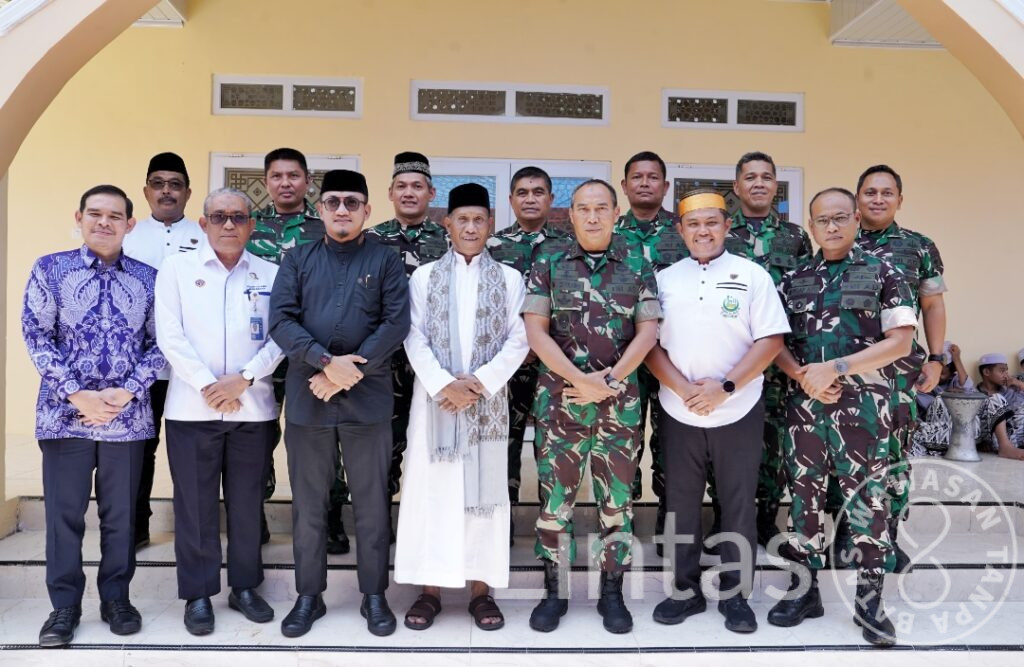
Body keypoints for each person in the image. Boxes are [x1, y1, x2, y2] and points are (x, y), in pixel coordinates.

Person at [767, 187, 916, 647]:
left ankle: (870, 602)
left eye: (839, 218)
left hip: (864, 411)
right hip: (806, 410)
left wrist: (836, 368)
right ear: (811, 226)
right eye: (822, 220)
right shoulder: (794, 279)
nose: (831, 227)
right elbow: (775, 343)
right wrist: (804, 376)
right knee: (804, 500)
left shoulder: (884, 272)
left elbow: (901, 342)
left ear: (854, 219)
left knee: (868, 502)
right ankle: (804, 591)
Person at [269, 169, 409, 637]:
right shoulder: (298, 259)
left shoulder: (386, 260)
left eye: (352, 202)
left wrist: (350, 371)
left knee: (371, 502)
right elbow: (281, 321)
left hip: (368, 400)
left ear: (367, 210)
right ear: (320, 209)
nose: (343, 209)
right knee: (309, 504)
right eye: (333, 202)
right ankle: (309, 595)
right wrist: (325, 363)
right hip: (309, 396)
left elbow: (396, 323)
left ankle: (374, 595)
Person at [23, 185, 166, 646]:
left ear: (130, 224)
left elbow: (161, 342)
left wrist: (128, 391)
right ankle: (64, 607)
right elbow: (36, 334)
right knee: (64, 516)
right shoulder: (50, 269)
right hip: (65, 417)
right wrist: (76, 394)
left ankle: (116, 598)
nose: (104, 222)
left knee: (121, 517)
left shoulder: (149, 279)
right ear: (79, 217)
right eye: (95, 214)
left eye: (115, 216)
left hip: (128, 418)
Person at [644, 189, 789, 634]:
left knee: (738, 504)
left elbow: (771, 340)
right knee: (680, 505)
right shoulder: (663, 279)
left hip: (738, 409)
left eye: (712, 222)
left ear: (727, 226)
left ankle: (735, 596)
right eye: (693, 223)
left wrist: (725, 388)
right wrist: (685, 389)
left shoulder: (752, 275)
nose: (703, 231)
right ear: (680, 230)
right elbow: (648, 344)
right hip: (679, 409)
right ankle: (684, 591)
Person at [523, 179, 661, 634]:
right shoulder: (548, 259)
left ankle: (612, 592)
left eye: (602, 207)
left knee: (617, 502)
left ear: (616, 212)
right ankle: (555, 590)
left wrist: (611, 381)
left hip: (618, 405)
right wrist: (581, 380)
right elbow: (536, 330)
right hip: (561, 402)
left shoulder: (638, 260)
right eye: (583, 208)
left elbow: (648, 331)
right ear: (571, 214)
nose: (593, 216)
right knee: (555, 501)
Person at [395, 183, 529, 632]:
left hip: (486, 405)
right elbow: (412, 334)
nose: (470, 228)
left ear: (490, 225)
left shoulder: (509, 278)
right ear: (447, 224)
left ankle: (480, 591)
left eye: (479, 220)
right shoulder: (423, 277)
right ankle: (429, 590)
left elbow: (519, 339)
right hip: (435, 406)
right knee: (432, 494)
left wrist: (481, 383)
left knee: (484, 499)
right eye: (462, 220)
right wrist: (443, 385)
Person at [154, 188, 283, 635]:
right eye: (219, 216)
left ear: (251, 225)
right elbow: (169, 334)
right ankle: (198, 595)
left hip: (252, 409)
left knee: (247, 504)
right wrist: (208, 385)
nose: (229, 224)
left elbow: (282, 335)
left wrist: (243, 379)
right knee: (195, 506)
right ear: (203, 222)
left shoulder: (271, 273)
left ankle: (244, 587)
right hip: (192, 409)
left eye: (238, 217)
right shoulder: (177, 269)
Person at [705, 152, 813, 552]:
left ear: (775, 186)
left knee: (774, 442)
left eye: (766, 177)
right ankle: (724, 517)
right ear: (736, 187)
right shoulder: (720, 234)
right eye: (750, 177)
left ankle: (766, 519)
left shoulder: (795, 238)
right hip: (730, 357)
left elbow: (807, 293)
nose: (759, 183)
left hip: (780, 362)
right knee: (724, 440)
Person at [855, 164, 947, 572]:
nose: (878, 199)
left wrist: (937, 358)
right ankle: (850, 535)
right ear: (857, 198)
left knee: (894, 454)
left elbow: (933, 305)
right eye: (870, 192)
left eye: (886, 192)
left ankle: (888, 536)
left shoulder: (919, 247)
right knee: (847, 454)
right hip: (848, 371)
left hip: (898, 372)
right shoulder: (838, 239)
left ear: (899, 199)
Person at [245, 147, 337, 549]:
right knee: (258, 438)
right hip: (261, 350)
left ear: (307, 181)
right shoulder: (249, 228)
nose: (285, 183)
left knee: (320, 441)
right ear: (266, 182)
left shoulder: (325, 227)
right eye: (277, 176)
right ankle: (254, 517)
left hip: (312, 353)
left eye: (293, 175)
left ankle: (328, 520)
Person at [122, 151, 203, 550]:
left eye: (175, 184)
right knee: (141, 449)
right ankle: (136, 526)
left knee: (194, 452)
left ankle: (198, 529)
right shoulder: (128, 237)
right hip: (144, 369)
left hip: (194, 368)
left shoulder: (205, 236)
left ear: (187, 191)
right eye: (158, 183)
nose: (166, 191)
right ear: (146, 191)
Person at [485, 166, 570, 542]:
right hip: (506, 367)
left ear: (551, 199)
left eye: (538, 192)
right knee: (503, 445)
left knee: (553, 447)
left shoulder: (569, 246)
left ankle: (552, 530)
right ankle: (501, 528)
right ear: (511, 200)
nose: (530, 198)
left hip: (555, 366)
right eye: (522, 192)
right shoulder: (492, 247)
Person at [366, 152, 449, 505]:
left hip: (434, 364)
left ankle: (425, 525)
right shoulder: (369, 240)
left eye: (417, 186)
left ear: (431, 193)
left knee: (432, 446)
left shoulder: (449, 241)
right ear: (390, 193)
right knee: (382, 447)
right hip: (382, 364)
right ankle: (379, 525)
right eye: (401, 186)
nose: (409, 193)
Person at [614, 151, 686, 551]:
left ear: (665, 186)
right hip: (621, 357)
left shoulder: (684, 232)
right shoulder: (610, 231)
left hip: (674, 356)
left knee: (671, 444)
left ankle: (668, 526)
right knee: (623, 443)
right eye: (637, 177)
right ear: (625, 186)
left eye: (653, 177)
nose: (645, 183)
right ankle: (619, 523)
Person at [911, 342, 973, 457]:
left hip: (950, 428)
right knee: (941, 399)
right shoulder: (924, 379)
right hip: (929, 426)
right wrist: (945, 394)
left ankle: (943, 445)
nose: (938, 376)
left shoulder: (954, 380)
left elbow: (968, 390)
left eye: (942, 373)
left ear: (952, 372)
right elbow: (924, 405)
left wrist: (957, 359)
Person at [974, 353, 1024, 459]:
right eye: (1002, 371)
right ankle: (1005, 448)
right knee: (995, 397)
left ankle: (1011, 447)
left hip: (1014, 440)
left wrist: (1019, 384)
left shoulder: (1010, 391)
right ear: (986, 372)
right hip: (989, 440)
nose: (1006, 375)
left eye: (1007, 371)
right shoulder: (973, 393)